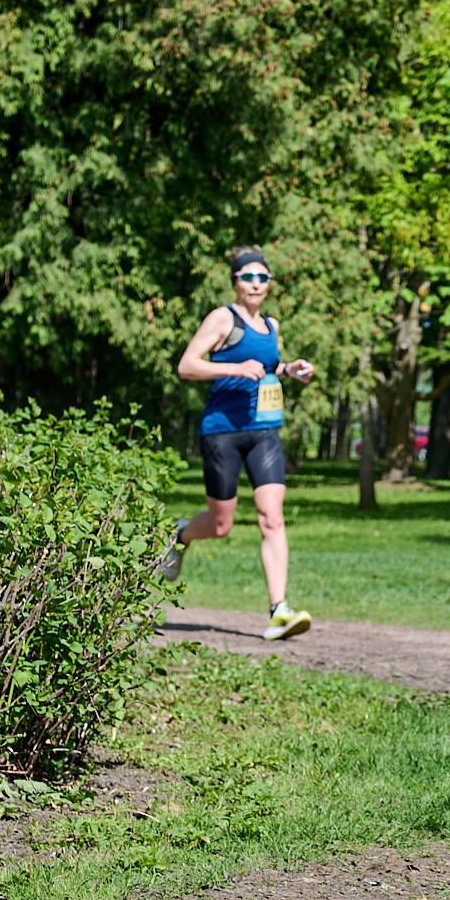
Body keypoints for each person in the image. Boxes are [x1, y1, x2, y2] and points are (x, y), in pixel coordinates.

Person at [158, 247, 316, 640]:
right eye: (248, 277)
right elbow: (187, 364)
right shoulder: (222, 318)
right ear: (236, 282)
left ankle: (279, 610)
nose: (256, 284)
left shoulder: (272, 326)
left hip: (264, 430)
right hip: (222, 430)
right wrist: (232, 367)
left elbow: (265, 367)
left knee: (271, 516)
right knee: (221, 524)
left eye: (263, 278)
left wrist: (289, 369)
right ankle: (179, 535)